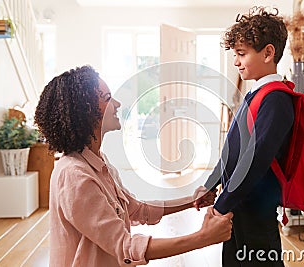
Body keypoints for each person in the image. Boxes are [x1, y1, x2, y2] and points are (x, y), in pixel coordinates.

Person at [34, 65, 233, 267]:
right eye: (108, 98)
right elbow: (125, 247)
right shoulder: (74, 176)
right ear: (85, 111)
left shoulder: (97, 161)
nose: (117, 104)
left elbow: (137, 209)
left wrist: (191, 200)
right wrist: (204, 237)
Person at [194, 7, 293, 267]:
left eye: (242, 54)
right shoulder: (255, 95)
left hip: (257, 211)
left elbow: (256, 157)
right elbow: (234, 149)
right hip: (239, 205)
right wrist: (210, 184)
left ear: (268, 53)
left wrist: (222, 203)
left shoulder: (277, 100)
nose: (236, 62)